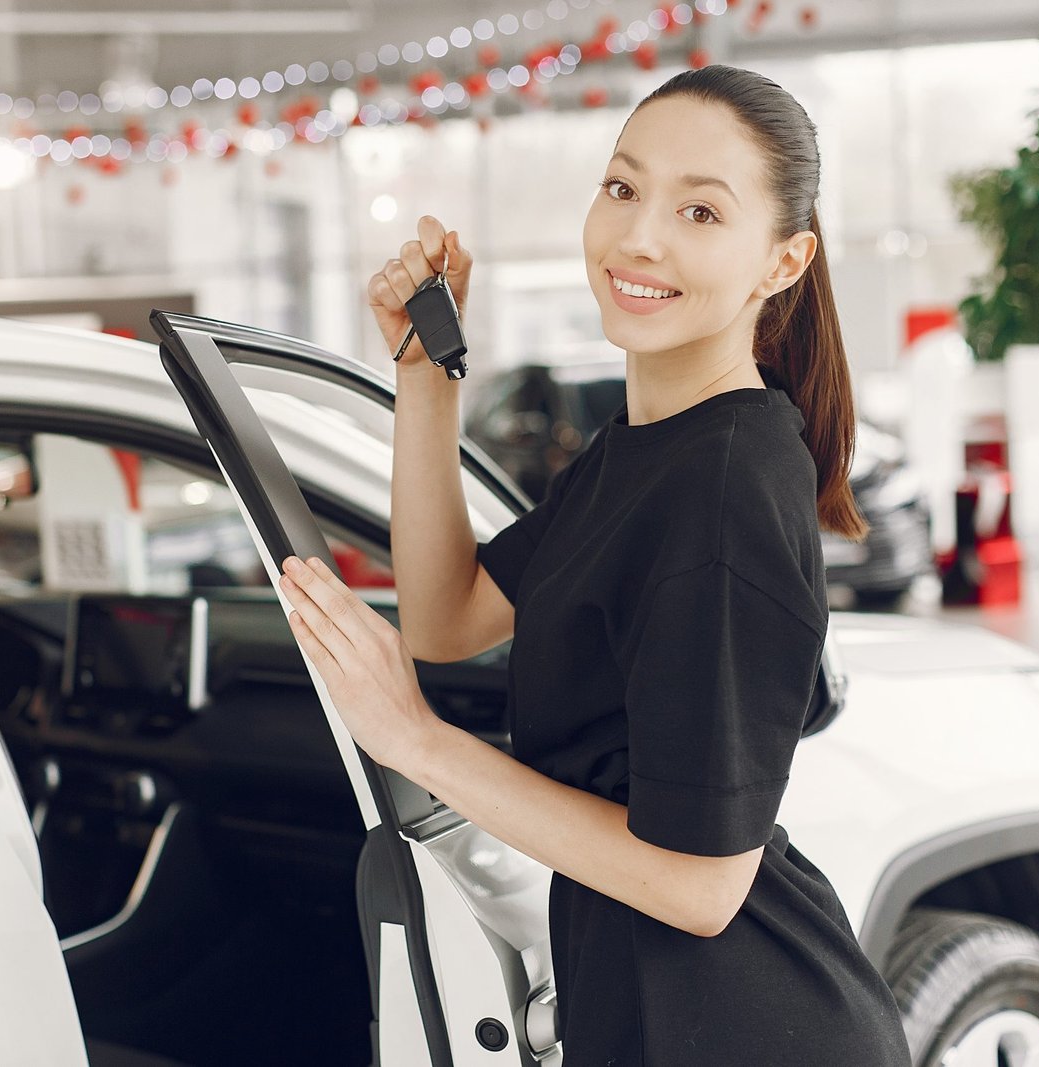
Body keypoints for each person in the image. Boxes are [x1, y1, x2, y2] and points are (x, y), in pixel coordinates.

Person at [274, 64, 913, 1065]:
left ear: (781, 263)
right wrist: (425, 375)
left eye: (700, 212)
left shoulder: (724, 491)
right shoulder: (646, 447)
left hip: (743, 1026)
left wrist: (413, 737)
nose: (639, 236)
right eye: (622, 188)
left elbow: (702, 887)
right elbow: (448, 617)